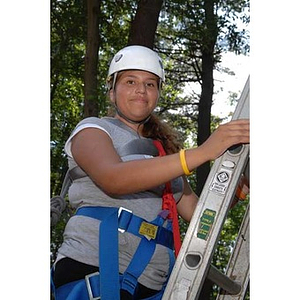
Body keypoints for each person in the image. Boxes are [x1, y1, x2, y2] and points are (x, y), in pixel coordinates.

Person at [51, 45, 250, 300]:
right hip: (95, 270)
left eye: (150, 84)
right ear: (112, 92)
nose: (141, 90)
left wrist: (237, 189)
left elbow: (199, 214)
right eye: (130, 81)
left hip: (154, 285)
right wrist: (204, 151)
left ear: (157, 94)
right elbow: (114, 178)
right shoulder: (93, 129)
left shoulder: (165, 157)